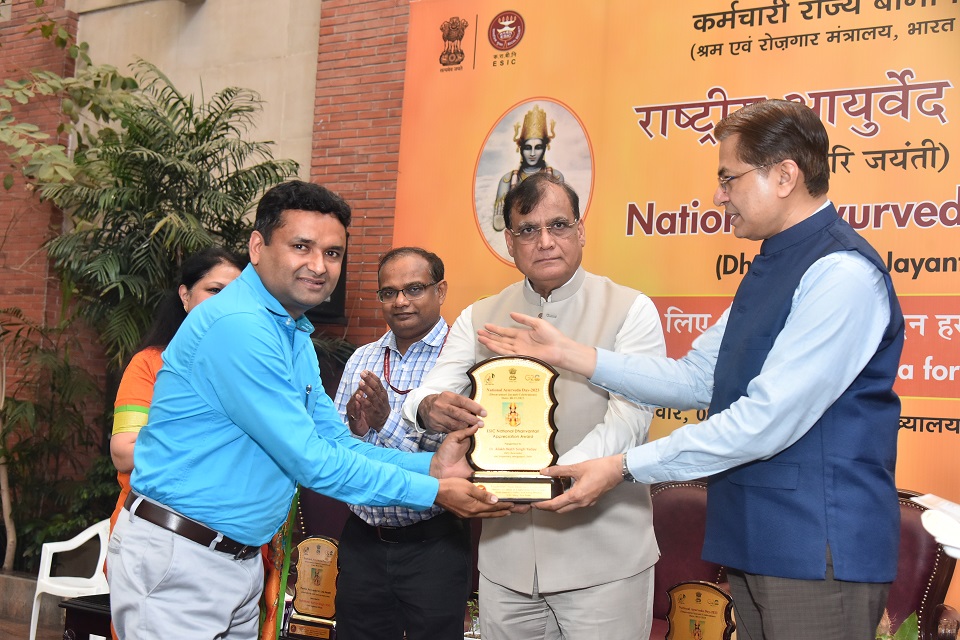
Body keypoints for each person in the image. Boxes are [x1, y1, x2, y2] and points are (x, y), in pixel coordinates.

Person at [478, 99, 905, 640]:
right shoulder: (775, 263)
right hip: (758, 539)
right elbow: (697, 378)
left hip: (816, 547)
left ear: (784, 176)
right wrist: (570, 355)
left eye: (729, 178)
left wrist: (623, 465)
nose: (719, 195)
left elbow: (765, 421)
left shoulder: (839, 273)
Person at [107, 181, 512, 640]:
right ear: (257, 247)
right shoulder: (240, 326)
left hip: (232, 559)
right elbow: (311, 460)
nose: (319, 266)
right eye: (301, 246)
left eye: (333, 253)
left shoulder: (291, 332)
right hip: (183, 559)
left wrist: (432, 466)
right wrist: (433, 490)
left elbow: (333, 440)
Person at [402, 172, 666, 640]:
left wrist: (551, 477)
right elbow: (431, 389)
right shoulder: (479, 315)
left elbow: (630, 419)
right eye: (528, 230)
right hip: (506, 560)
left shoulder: (631, 309)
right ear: (510, 242)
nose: (544, 241)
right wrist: (428, 408)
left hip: (604, 560)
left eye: (558, 225)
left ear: (581, 231)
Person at [333, 247, 469, 640]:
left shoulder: (463, 360)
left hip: (433, 543)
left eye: (414, 289)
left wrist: (384, 422)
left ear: (440, 291)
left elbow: (454, 460)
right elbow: (336, 451)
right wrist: (358, 428)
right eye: (389, 292)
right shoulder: (362, 358)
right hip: (363, 540)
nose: (400, 301)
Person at [109, 246, 245, 533]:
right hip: (155, 531)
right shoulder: (151, 364)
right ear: (185, 296)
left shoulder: (254, 369)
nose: (225, 303)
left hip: (237, 539)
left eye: (237, 294)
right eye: (214, 290)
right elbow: (124, 452)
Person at [492, 104, 565, 232]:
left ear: (545, 148)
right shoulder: (507, 181)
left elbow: (561, 220)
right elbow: (499, 224)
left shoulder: (556, 177)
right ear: (520, 149)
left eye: (538, 147)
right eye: (527, 148)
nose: (532, 153)